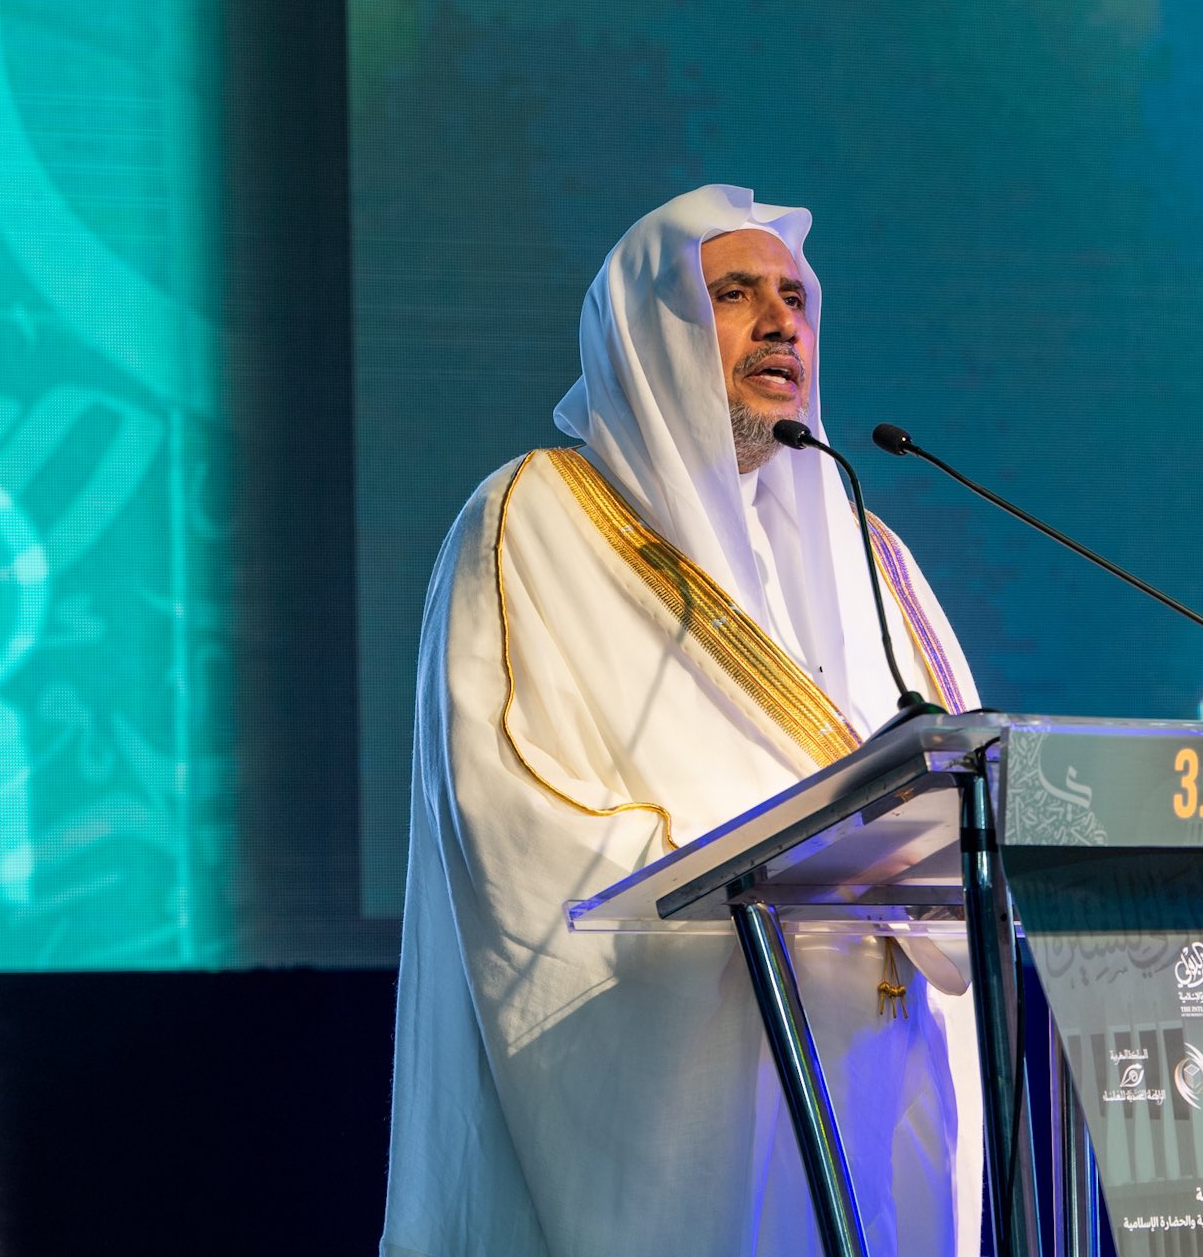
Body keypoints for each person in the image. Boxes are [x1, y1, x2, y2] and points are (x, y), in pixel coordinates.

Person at [380, 185, 981, 1256]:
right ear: (650, 332)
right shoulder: (535, 519)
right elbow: (514, 818)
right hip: (689, 1068)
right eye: (736, 294)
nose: (781, 320)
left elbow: (972, 789)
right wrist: (753, 902)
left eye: (795, 297)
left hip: (870, 1062)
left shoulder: (867, 551)